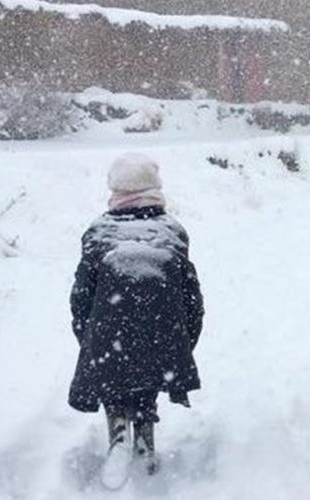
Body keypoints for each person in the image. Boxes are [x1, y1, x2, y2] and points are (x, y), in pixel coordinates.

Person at [69, 153, 204, 487]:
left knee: (114, 373)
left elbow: (81, 296)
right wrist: (183, 341)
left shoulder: (98, 233)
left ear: (116, 189)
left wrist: (88, 339)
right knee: (149, 365)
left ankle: (118, 429)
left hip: (107, 332)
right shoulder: (172, 231)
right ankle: (144, 432)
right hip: (163, 332)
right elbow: (191, 297)